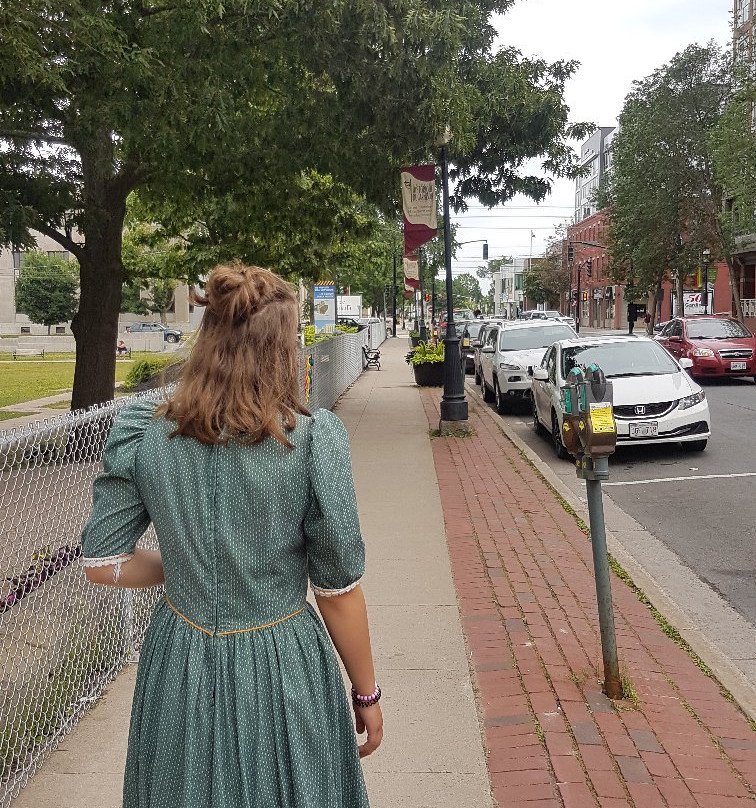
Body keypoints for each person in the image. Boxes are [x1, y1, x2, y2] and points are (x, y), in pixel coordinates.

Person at [82, 263, 381, 807]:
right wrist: (367, 692)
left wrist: (196, 561)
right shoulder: (312, 440)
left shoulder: (143, 430)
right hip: (283, 663)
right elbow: (338, 592)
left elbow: (102, 562)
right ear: (282, 348)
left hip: (180, 660)